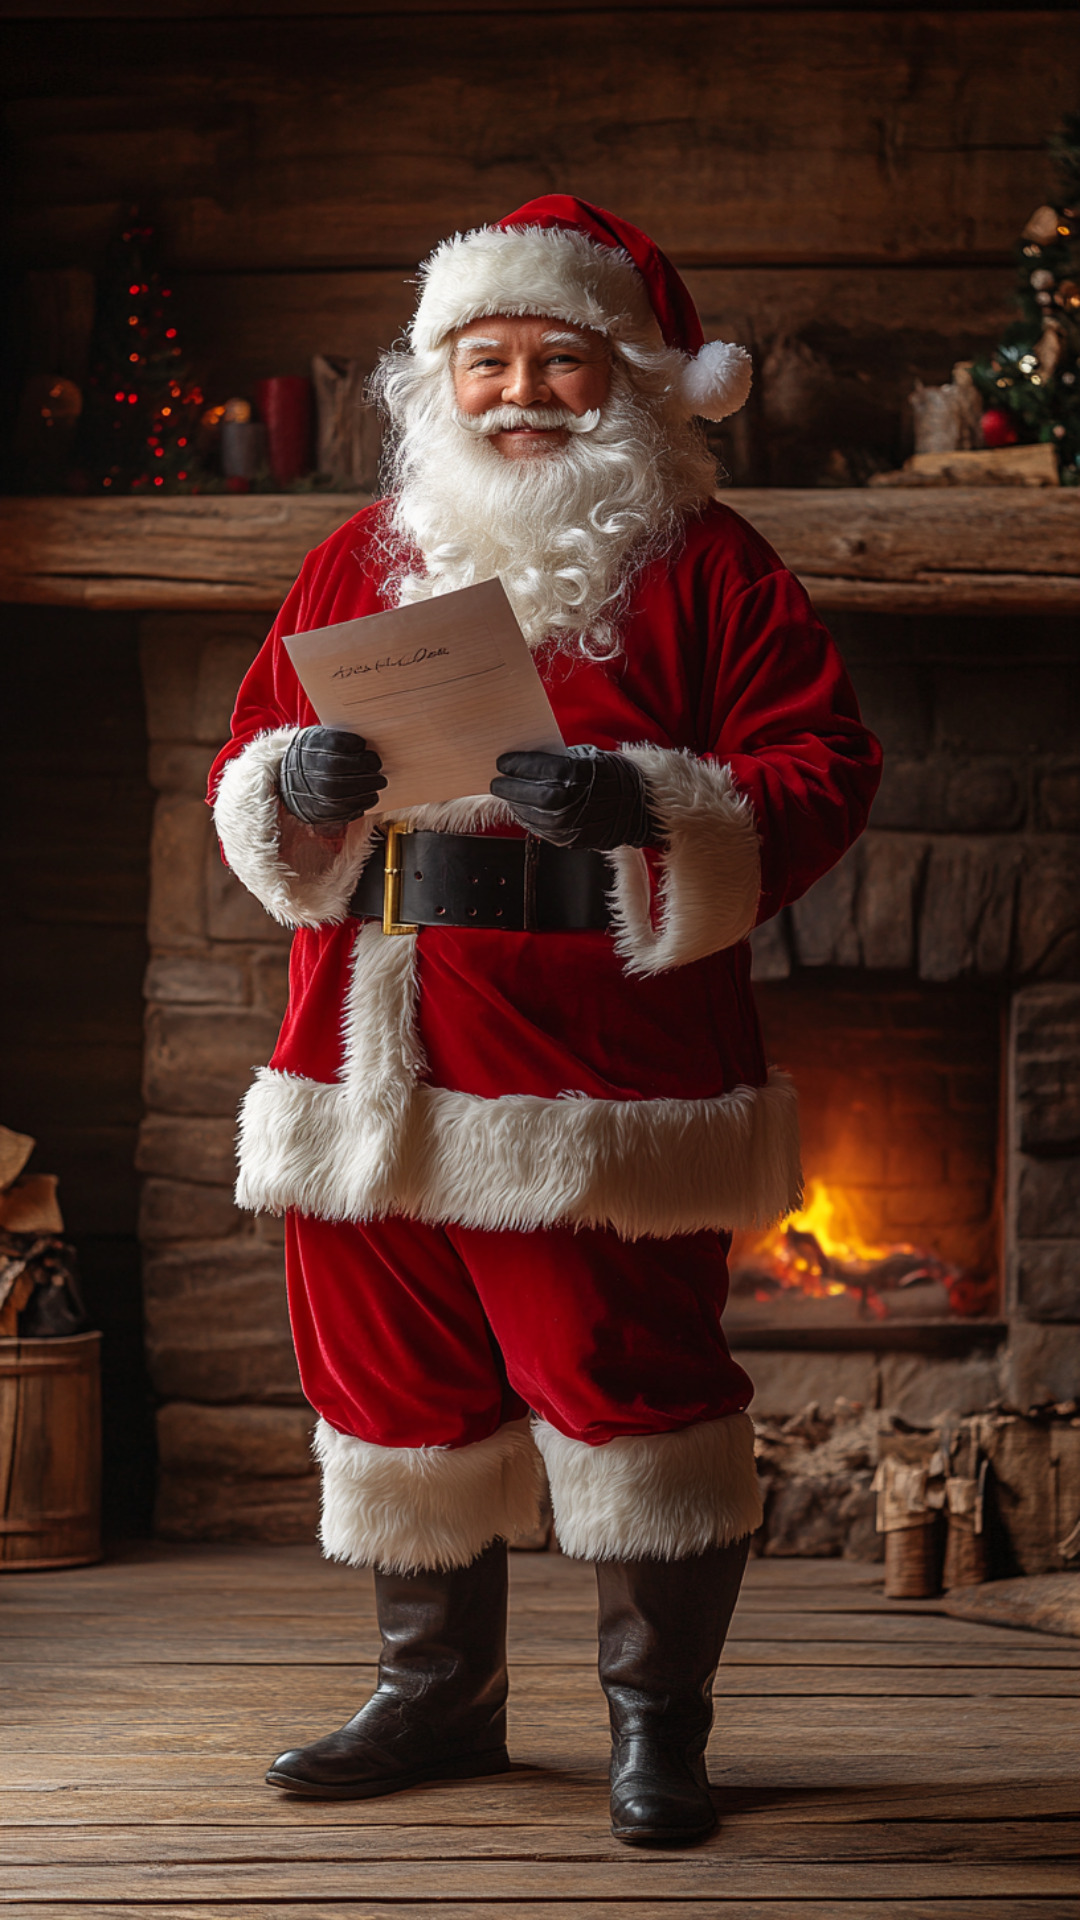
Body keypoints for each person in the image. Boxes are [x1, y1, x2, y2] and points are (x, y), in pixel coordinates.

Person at [209, 195, 881, 1844]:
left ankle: (658, 1724)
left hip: (600, 1065)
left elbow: (820, 771)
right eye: (486, 361)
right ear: (438, 382)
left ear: (635, 386)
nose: (518, 396)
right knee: (388, 1384)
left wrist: (647, 802)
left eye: (560, 366)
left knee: (627, 1379)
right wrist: (285, 787)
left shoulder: (715, 568)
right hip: (371, 1044)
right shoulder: (357, 558)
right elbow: (250, 761)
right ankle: (436, 1696)